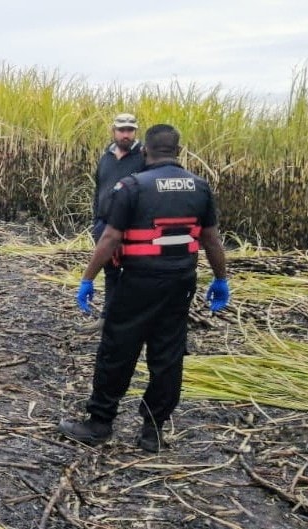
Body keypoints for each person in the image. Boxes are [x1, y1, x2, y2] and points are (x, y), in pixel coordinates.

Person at [59, 124, 229, 453]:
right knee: (168, 355)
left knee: (118, 349)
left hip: (137, 281)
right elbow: (211, 239)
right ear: (178, 150)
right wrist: (221, 279)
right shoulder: (200, 187)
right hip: (180, 283)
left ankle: (100, 423)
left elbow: (110, 238)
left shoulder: (132, 186)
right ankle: (152, 431)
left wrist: (88, 277)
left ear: (145, 150)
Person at [84, 113, 146, 330]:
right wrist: (96, 222)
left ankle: (129, 320)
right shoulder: (106, 157)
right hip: (104, 225)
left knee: (131, 272)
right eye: (122, 130)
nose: (126, 134)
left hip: (131, 228)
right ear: (114, 131)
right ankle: (106, 317)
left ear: (135, 131)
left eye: (130, 130)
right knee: (109, 271)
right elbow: (98, 190)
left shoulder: (143, 157)